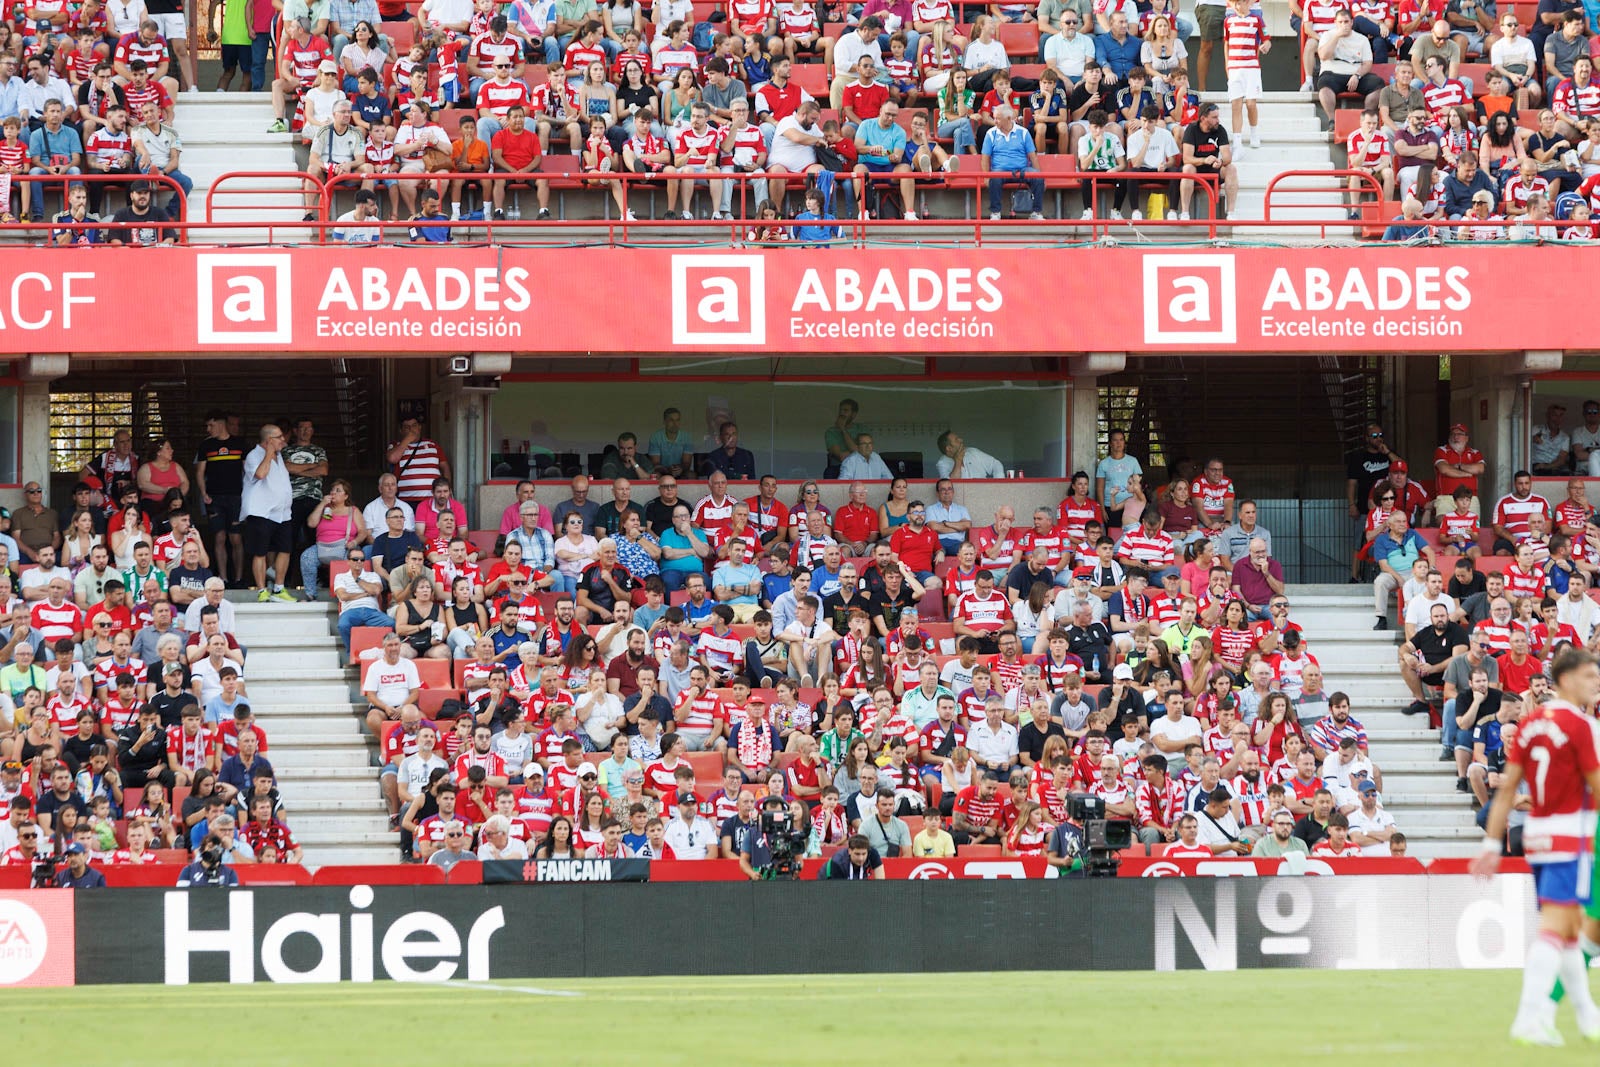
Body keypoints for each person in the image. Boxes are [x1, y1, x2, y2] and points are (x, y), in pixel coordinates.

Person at [1473, 646, 1600, 1045]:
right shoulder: (1582, 726)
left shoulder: (1528, 726)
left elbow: (1507, 788)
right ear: (1564, 680)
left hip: (1537, 835)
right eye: (1589, 677)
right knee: (1556, 930)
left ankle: (1584, 1016)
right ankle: (1529, 1016)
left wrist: (1493, 844)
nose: (1596, 684)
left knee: (1566, 932)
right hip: (1571, 835)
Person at [241, 423, 296, 603]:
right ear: (268, 440)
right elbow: (260, 475)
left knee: (285, 549)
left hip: (282, 513)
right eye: (279, 437)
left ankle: (279, 589)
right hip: (261, 512)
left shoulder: (279, 456)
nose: (283, 440)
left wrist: (274, 452)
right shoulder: (253, 456)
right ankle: (262, 590)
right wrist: (269, 453)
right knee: (260, 552)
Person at [817, 832, 884, 878]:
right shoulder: (838, 862)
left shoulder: (873, 854)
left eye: (864, 854)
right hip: (828, 881)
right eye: (857, 854)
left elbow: (881, 883)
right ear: (849, 851)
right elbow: (838, 892)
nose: (861, 858)